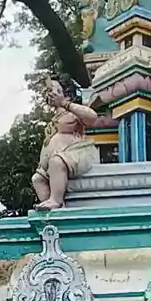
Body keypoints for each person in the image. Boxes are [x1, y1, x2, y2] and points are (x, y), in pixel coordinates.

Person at [32, 77, 106, 210]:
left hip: (78, 153)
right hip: (55, 162)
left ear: (66, 93)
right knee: (37, 178)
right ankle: (52, 209)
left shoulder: (72, 112)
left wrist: (64, 103)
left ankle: (56, 200)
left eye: (54, 89)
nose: (49, 93)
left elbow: (92, 117)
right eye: (48, 90)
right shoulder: (55, 117)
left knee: (56, 162)